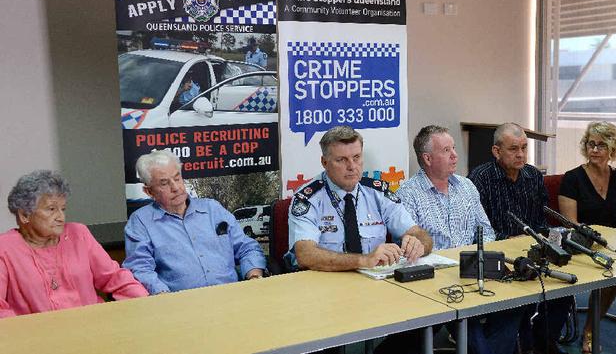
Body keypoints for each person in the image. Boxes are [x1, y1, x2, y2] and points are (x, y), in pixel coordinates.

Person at [286, 125, 432, 354]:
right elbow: (305, 255)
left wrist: (417, 243)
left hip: (377, 291)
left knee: (422, 324)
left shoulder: (377, 191)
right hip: (325, 297)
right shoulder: (309, 198)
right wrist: (363, 260)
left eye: (356, 157)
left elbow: (419, 233)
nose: (352, 167)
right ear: (324, 163)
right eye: (341, 160)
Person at [397, 125, 521, 354]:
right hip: (436, 281)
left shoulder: (466, 186)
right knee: (467, 320)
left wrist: (486, 260)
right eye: (446, 150)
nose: (455, 154)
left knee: (519, 302)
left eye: (453, 148)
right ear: (427, 158)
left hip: (474, 269)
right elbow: (408, 247)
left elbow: (486, 231)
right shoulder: (408, 193)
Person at [468, 122, 572, 354]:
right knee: (517, 301)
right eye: (514, 149)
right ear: (497, 151)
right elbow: (480, 231)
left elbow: (541, 221)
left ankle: (542, 340)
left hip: (533, 251)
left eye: (524, 148)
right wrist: (518, 244)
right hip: (500, 258)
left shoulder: (533, 175)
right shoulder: (479, 179)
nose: (521, 154)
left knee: (565, 289)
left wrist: (548, 241)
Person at [0, 170, 147, 318]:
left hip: (94, 326)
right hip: (37, 335)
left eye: (63, 209)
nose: (61, 217)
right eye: (51, 209)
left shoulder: (78, 234)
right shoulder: (5, 248)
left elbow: (115, 278)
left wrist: (145, 304)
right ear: (24, 215)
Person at [558, 121, 616, 353]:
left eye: (601, 145)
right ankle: (592, 329)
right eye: (591, 144)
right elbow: (571, 224)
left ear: (612, 149)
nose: (594, 150)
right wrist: (597, 242)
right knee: (615, 267)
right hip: (583, 243)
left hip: (615, 241)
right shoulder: (573, 179)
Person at [123, 150, 266, 295]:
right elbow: (140, 268)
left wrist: (254, 276)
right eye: (165, 183)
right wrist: (163, 296)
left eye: (177, 178)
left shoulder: (212, 209)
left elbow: (247, 248)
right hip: (181, 306)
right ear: (149, 192)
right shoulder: (141, 222)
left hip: (232, 297)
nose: (176, 188)